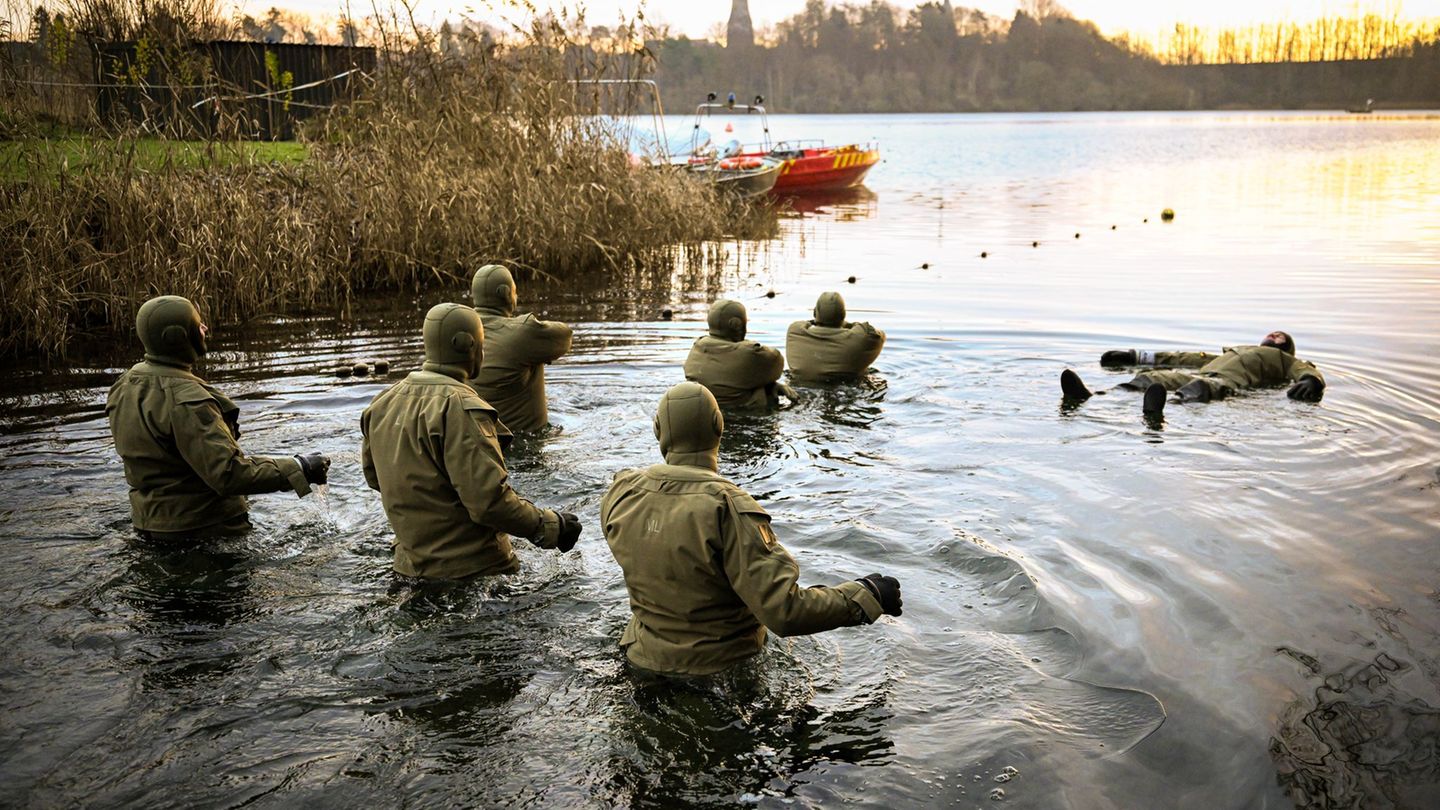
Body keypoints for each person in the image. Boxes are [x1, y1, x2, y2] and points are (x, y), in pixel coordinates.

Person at [600, 381, 902, 677]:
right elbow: (784, 611)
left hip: (639, 659)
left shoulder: (622, 492)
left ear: (658, 430)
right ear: (719, 427)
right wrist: (865, 595)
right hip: (719, 672)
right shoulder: (727, 507)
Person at [361, 303, 582, 580]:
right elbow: (489, 503)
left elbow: (374, 478)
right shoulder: (461, 408)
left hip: (407, 566)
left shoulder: (382, 403)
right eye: (481, 343)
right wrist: (551, 526)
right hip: (475, 569)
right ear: (467, 345)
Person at [106, 295, 329, 541]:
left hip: (148, 524)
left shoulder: (124, 384)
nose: (204, 328)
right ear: (178, 336)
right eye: (197, 324)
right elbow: (229, 474)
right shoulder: (189, 401)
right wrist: (299, 467)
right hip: (205, 530)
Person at [1060, 330, 1326, 414]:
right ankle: (1096, 395)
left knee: (1198, 390)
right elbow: (1184, 358)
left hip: (1225, 382)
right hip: (1201, 373)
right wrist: (1135, 356)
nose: (1274, 335)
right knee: (1151, 378)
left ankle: (1161, 408)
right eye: (1272, 333)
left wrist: (1312, 381)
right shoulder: (1232, 352)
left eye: (1280, 336)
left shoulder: (1282, 360)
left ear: (1287, 348)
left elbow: (1303, 369)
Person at [469, 264, 573, 432]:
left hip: (474, 435)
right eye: (514, 291)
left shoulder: (460, 330)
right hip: (524, 439)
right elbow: (565, 336)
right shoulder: (523, 333)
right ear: (505, 293)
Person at [683, 299, 792, 409]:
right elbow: (776, 362)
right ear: (736, 324)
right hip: (744, 415)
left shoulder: (697, 347)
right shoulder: (751, 353)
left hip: (704, 411)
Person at [785, 291, 885, 380]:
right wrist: (845, 324)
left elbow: (806, 323)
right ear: (843, 315)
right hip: (845, 388)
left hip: (800, 388)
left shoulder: (795, 332)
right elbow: (880, 335)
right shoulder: (863, 338)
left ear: (815, 313)